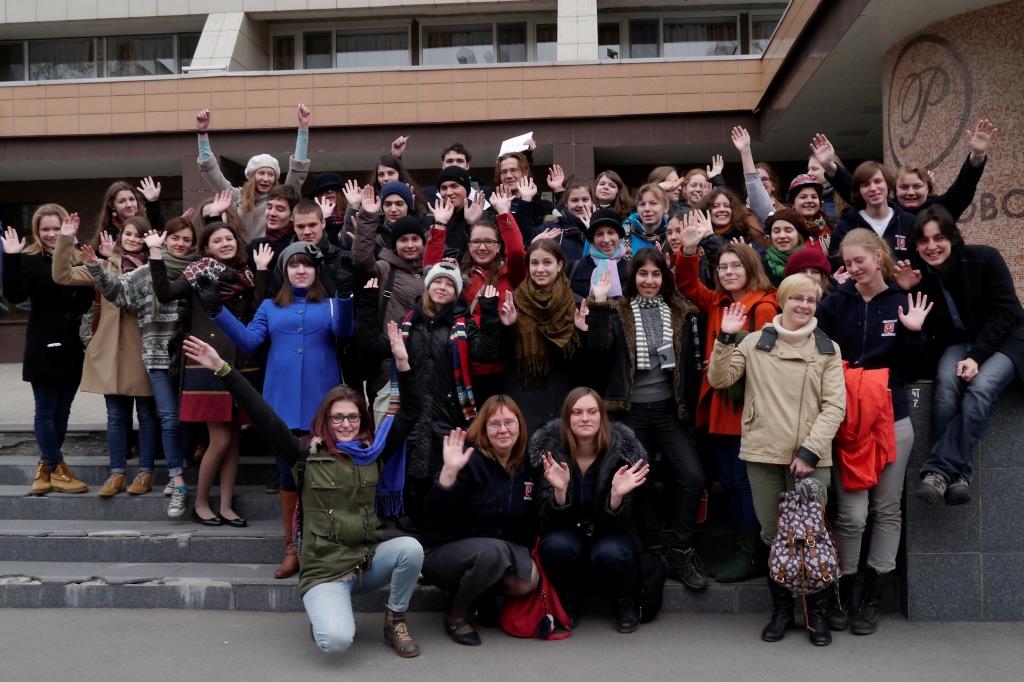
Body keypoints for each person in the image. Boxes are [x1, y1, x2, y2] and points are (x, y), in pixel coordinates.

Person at [181, 321, 424, 658]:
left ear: (362, 420)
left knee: (410, 549)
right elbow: (263, 414)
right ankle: (324, 608)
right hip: (324, 570)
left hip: (364, 561)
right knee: (336, 641)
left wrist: (403, 363)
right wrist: (223, 369)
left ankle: (394, 620)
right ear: (326, 420)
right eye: (338, 418)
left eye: (353, 417)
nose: (346, 424)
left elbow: (411, 411)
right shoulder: (303, 454)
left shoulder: (373, 452)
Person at [707, 273, 846, 646]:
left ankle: (815, 614)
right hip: (763, 452)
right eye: (797, 298)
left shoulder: (827, 348)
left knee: (811, 538)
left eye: (811, 300)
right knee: (773, 537)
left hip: (810, 456)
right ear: (782, 301)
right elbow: (720, 379)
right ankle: (782, 611)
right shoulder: (755, 341)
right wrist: (725, 338)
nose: (804, 305)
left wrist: (810, 451)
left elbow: (835, 406)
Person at [213, 241, 354, 578]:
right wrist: (217, 309)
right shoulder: (269, 307)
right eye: (294, 265)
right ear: (285, 271)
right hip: (282, 408)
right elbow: (248, 341)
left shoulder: (330, 304)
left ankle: (325, 547)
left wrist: (345, 295)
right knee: (288, 477)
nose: (300, 270)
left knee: (325, 477)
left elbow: (345, 332)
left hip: (324, 408)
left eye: (307, 265)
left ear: (316, 270)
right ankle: (292, 548)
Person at [817, 228, 932, 636]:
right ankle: (843, 588)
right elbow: (819, 358)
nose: (853, 269)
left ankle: (872, 594)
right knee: (852, 514)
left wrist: (914, 332)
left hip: (892, 419)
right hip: (847, 422)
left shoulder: (902, 302)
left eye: (859, 260)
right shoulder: (834, 304)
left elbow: (916, 369)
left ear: (879, 257)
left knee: (887, 509)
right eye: (847, 263)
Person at [586, 249, 707, 591]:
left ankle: (680, 547)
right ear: (633, 277)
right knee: (641, 481)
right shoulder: (618, 311)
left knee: (693, 476)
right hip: (632, 411)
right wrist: (598, 304)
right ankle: (653, 547)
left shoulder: (681, 311)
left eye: (656, 274)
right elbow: (598, 350)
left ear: (664, 277)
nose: (649, 281)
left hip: (669, 410)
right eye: (643, 274)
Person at [673, 210, 778, 583]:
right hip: (719, 409)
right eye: (722, 267)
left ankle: (752, 552)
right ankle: (744, 547)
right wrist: (689, 249)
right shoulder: (718, 302)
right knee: (731, 483)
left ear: (750, 268)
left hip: (747, 409)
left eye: (736, 266)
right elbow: (687, 284)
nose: (728, 272)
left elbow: (767, 361)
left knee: (744, 485)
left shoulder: (764, 306)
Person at [895, 206, 1024, 506]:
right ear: (916, 245)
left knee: (981, 388)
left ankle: (938, 471)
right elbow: (915, 326)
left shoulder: (984, 258)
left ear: (952, 237)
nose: (932, 246)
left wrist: (976, 357)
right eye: (923, 241)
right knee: (944, 388)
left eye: (939, 238)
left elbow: (1004, 316)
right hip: (959, 343)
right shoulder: (919, 276)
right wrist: (901, 290)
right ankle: (958, 475)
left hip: (1008, 339)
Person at [81, 217, 200, 517]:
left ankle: (181, 466)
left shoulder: (198, 270)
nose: (181, 244)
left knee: (187, 418)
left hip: (192, 357)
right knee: (168, 417)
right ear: (164, 240)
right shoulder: (146, 272)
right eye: (176, 238)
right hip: (157, 356)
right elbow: (115, 291)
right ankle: (177, 480)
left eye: (187, 239)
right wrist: (96, 267)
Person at [151, 219, 261, 527]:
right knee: (221, 440)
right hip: (207, 362)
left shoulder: (246, 274)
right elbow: (165, 293)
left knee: (234, 441)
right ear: (205, 248)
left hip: (240, 363)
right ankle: (200, 503)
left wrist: (263, 271)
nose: (225, 244)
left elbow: (257, 308)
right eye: (217, 241)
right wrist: (156, 254)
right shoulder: (197, 273)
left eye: (229, 238)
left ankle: (225, 506)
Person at [52, 213, 160, 498]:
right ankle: (117, 472)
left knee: (147, 415)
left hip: (145, 350)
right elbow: (62, 275)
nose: (133, 239)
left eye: (139, 235)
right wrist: (65, 238)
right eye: (128, 234)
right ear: (121, 236)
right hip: (111, 351)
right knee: (115, 415)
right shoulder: (105, 265)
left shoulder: (156, 266)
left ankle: (146, 472)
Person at [420, 399, 540, 646]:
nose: (503, 430)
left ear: (520, 426)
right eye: (494, 424)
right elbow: (434, 516)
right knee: (492, 552)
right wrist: (449, 473)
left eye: (509, 422)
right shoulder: (468, 459)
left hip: (498, 551)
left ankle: (481, 594)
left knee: (528, 579)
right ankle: (457, 614)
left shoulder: (528, 466)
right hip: (445, 552)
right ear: (484, 428)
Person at [531, 387, 651, 632]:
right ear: (567, 418)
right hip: (568, 531)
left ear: (601, 416)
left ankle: (623, 602)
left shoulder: (623, 452)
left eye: (592, 412)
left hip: (610, 532)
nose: (585, 418)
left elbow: (628, 519)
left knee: (611, 552)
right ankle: (567, 599)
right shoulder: (550, 452)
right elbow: (545, 515)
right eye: (577, 412)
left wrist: (616, 497)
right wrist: (560, 492)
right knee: (555, 545)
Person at [1, 206, 92, 495]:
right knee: (45, 409)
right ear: (36, 231)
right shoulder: (29, 259)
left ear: (67, 227)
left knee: (63, 411)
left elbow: (85, 302)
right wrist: (11, 257)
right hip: (42, 344)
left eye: (56, 228)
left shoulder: (80, 257)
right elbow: (14, 295)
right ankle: (57, 467)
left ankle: (45, 468)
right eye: (45, 229)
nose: (51, 234)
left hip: (72, 345)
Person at [423, 184, 527, 405]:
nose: (482, 247)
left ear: (498, 246)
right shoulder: (460, 275)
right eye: (477, 242)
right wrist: (439, 225)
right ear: (469, 246)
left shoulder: (510, 274)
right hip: (466, 363)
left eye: (489, 242)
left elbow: (518, 252)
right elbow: (431, 273)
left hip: (505, 364)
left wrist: (504, 215)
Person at [502, 239, 585, 433]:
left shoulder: (575, 304)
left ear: (559, 265)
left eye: (547, 262)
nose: (540, 269)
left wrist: (582, 332)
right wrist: (508, 327)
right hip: (524, 396)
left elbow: (584, 365)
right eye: (534, 263)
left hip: (562, 398)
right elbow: (503, 355)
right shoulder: (515, 302)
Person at [195, 105, 312, 241]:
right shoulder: (236, 197)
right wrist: (202, 133)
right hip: (241, 253)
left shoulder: (281, 199)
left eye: (271, 174)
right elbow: (211, 172)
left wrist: (303, 129)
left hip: (272, 251)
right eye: (261, 173)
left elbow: (297, 171)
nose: (266, 179)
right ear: (252, 176)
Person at [569, 208, 629, 299]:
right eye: (599, 234)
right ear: (592, 239)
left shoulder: (632, 269)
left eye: (611, 233)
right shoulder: (574, 268)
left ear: (619, 236)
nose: (606, 240)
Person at [761, 208, 808, 287]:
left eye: (788, 230)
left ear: (799, 235)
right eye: (776, 231)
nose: (782, 236)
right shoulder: (761, 266)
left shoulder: (812, 262)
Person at [623, 183, 670, 254]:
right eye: (642, 204)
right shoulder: (624, 232)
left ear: (665, 207)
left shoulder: (672, 233)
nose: (647, 209)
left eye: (653, 203)